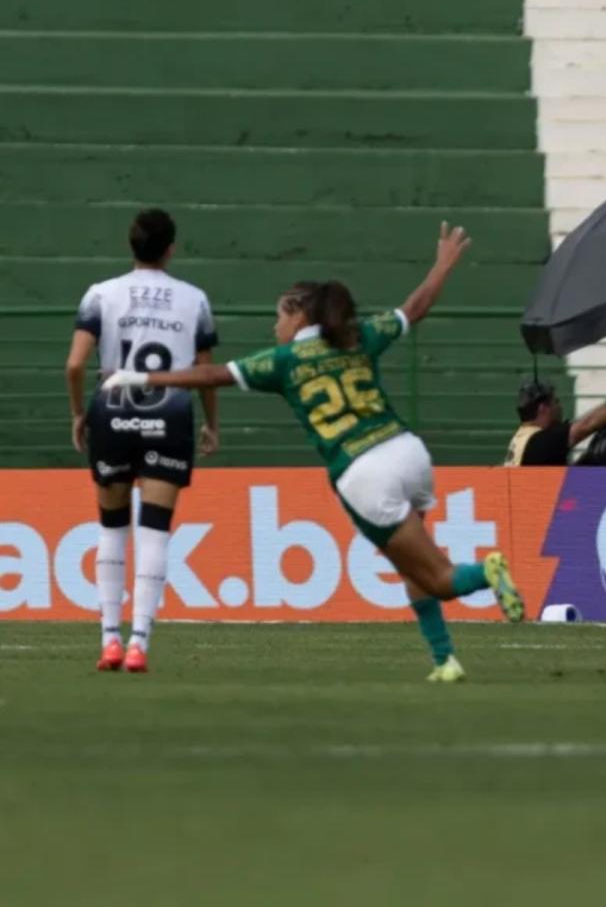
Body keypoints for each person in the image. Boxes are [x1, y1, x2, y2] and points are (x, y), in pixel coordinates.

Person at [102, 223, 525, 682]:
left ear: (300, 316)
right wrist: (443, 262)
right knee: (412, 564)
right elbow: (414, 308)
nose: (274, 324)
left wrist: (142, 379)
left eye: (279, 315)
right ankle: (444, 660)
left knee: (440, 578)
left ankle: (488, 571)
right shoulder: (357, 335)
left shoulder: (282, 362)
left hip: (363, 473)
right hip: (408, 452)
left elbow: (211, 376)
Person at [66, 209, 221, 675]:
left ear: (130, 246)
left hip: (111, 413)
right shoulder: (194, 300)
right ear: (171, 248)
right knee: (154, 528)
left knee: (112, 528)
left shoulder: (101, 294)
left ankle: (109, 640)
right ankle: (139, 644)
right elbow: (205, 371)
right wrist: (211, 422)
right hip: (169, 416)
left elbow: (74, 365)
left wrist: (79, 414)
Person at [505, 375, 606, 466]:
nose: (559, 407)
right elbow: (586, 425)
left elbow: (584, 421)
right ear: (543, 408)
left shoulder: (523, 436)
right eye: (556, 402)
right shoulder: (540, 440)